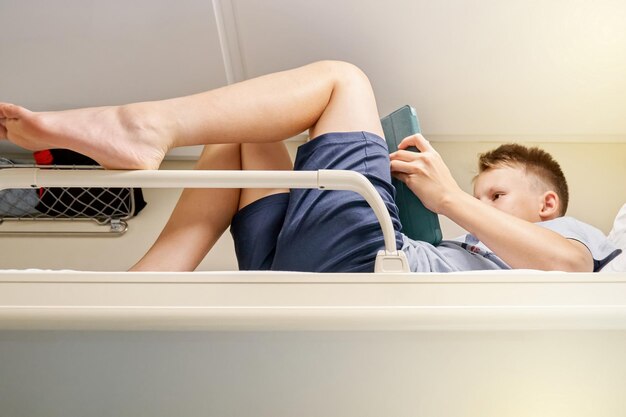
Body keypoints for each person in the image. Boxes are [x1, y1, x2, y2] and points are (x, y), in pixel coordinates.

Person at [0, 61, 620, 272]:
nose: (480, 209)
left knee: (342, 80)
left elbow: (569, 266)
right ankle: (154, 273)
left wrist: (450, 199)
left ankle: (144, 126)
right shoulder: (483, 247)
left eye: (497, 196)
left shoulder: (572, 237)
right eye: (483, 197)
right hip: (304, 264)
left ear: (547, 205)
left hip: (371, 262)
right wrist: (458, 212)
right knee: (240, 137)